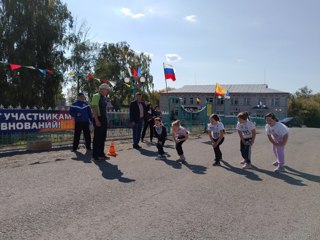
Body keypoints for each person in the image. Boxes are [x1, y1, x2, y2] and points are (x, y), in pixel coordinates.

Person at [91, 83, 110, 161]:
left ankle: (101, 154)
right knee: (97, 138)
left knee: (103, 138)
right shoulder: (96, 96)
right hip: (98, 118)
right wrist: (96, 120)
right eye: (106, 89)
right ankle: (95, 156)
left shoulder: (104, 98)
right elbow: (94, 108)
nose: (107, 91)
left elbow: (104, 109)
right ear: (102, 89)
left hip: (103, 118)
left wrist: (106, 118)